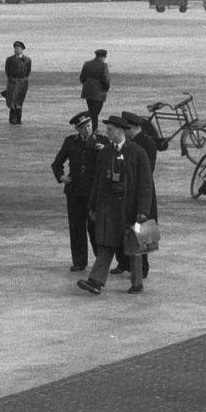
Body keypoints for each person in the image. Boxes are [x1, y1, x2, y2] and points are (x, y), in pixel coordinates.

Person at [80, 116, 155, 295]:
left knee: (134, 247)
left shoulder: (137, 152)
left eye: (111, 130)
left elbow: (146, 184)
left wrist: (143, 211)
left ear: (121, 131)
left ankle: (137, 283)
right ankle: (95, 282)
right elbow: (98, 180)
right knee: (106, 245)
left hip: (131, 209)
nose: (107, 133)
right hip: (110, 208)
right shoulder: (105, 152)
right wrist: (92, 206)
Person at [50, 113, 106, 273]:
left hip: (93, 192)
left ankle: (101, 260)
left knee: (95, 227)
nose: (87, 130)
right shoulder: (70, 142)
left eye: (89, 126)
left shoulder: (101, 141)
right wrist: (61, 176)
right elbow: (57, 163)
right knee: (76, 227)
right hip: (75, 191)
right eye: (83, 128)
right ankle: (79, 261)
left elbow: (110, 160)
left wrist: (104, 151)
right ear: (77, 129)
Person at [2, 41, 32, 125]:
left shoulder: (27, 60)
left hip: (22, 83)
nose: (16, 50)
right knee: (12, 101)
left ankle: (18, 119)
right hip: (13, 82)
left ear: (22, 49)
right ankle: (12, 119)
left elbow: (27, 72)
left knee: (19, 101)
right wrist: (11, 79)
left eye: (18, 48)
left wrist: (23, 80)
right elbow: (7, 71)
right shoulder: (10, 59)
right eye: (15, 48)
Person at [79, 50, 111, 125]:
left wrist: (88, 84)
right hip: (99, 93)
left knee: (92, 112)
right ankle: (90, 126)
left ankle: (93, 129)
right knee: (94, 113)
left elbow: (82, 78)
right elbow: (106, 79)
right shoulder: (103, 65)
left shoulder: (87, 64)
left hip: (88, 92)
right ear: (103, 57)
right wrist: (106, 89)